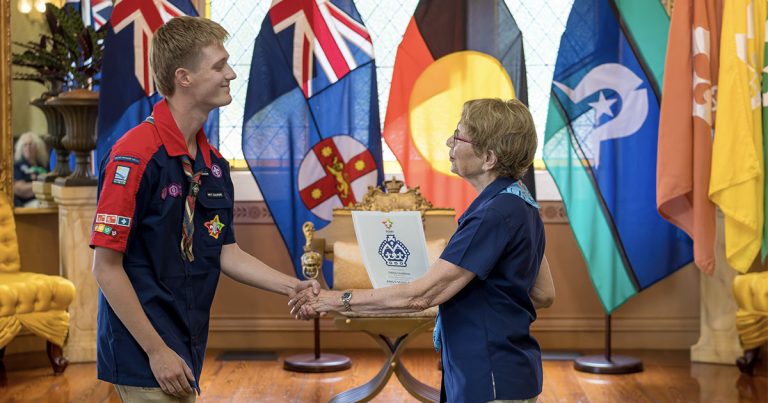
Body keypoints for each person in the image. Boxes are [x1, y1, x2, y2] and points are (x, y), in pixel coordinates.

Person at [90, 16, 319, 402]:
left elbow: (225, 251)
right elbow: (105, 268)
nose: (230, 73)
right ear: (184, 77)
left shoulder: (212, 165)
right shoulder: (135, 155)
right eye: (218, 66)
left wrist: (292, 286)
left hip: (186, 338)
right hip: (143, 347)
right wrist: (156, 351)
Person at [291, 98, 555, 403]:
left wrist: (329, 300)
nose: (448, 143)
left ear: (489, 158)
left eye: (458, 136)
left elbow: (421, 297)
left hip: (490, 374)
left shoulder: (492, 215)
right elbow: (543, 293)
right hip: (510, 369)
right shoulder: (520, 200)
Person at [13, 131, 49, 207]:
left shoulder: (43, 165)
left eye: (31, 144)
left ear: (37, 147)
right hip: (25, 204)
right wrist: (43, 186)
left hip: (46, 200)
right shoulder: (17, 166)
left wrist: (31, 186)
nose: (28, 147)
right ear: (21, 148)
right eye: (25, 145)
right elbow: (20, 190)